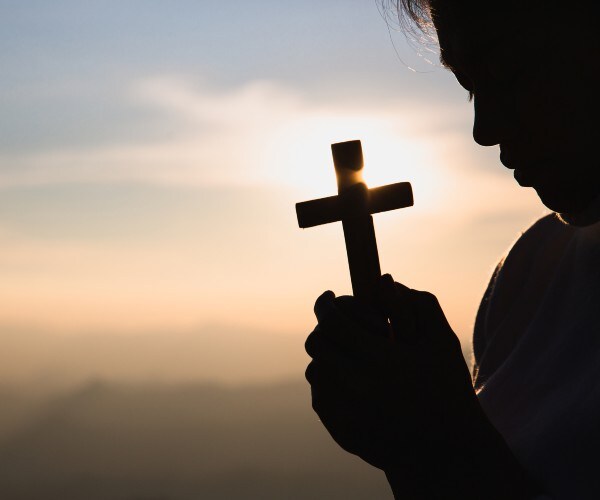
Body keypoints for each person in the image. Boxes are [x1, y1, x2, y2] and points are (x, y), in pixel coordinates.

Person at [304, 1, 600, 498]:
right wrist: (413, 442)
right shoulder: (529, 270)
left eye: (508, 71)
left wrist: (435, 438)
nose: (484, 130)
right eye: (469, 86)